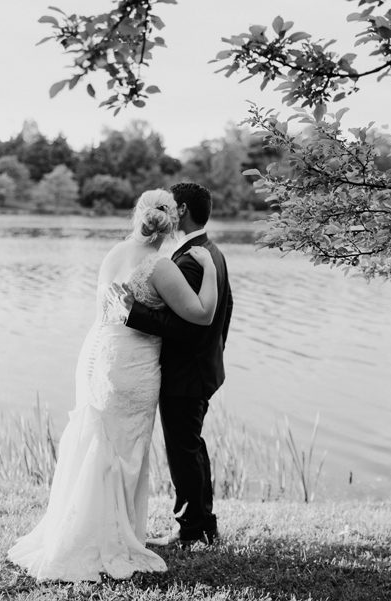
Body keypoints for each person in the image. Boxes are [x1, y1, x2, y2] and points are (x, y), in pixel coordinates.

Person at [7, 189, 218, 582]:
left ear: (138, 215)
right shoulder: (161, 266)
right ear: (172, 224)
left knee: (94, 439)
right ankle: (112, 536)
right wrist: (208, 268)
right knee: (123, 447)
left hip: (95, 354)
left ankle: (84, 528)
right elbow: (203, 315)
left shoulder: (114, 253)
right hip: (129, 365)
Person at [109, 182, 233, 548]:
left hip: (186, 373)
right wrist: (216, 353)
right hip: (202, 368)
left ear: (181, 209)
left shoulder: (191, 259)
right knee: (192, 449)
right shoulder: (209, 252)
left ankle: (190, 530)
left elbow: (188, 326)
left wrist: (134, 313)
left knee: (183, 454)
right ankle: (204, 524)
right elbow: (226, 312)